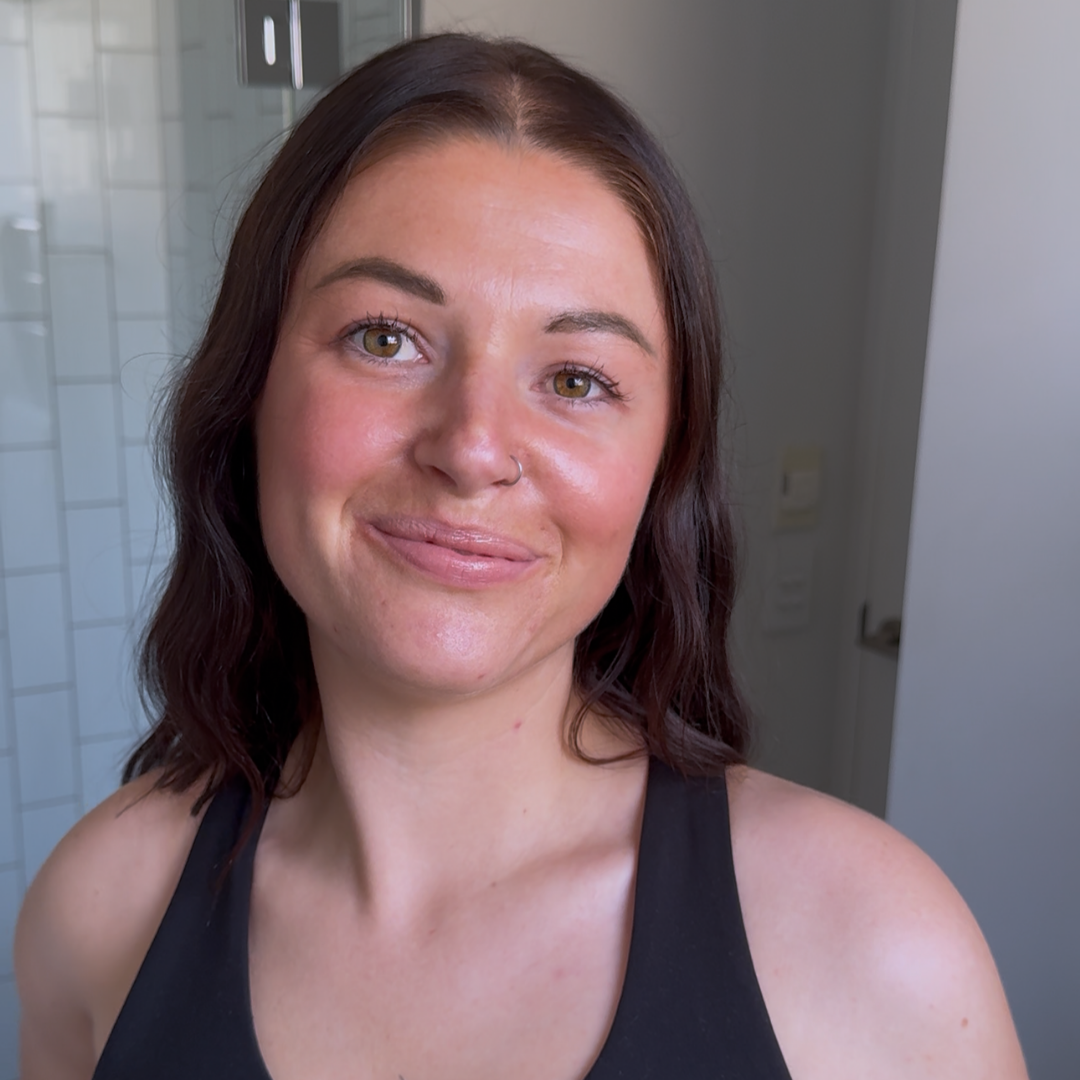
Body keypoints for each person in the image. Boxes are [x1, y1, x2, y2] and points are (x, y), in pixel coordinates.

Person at [15, 33, 1027, 1080]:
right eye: (384, 337)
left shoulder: (880, 953)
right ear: (250, 395)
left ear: (660, 470)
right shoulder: (97, 913)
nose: (470, 449)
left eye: (578, 379)